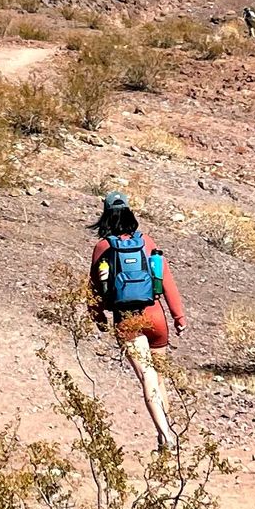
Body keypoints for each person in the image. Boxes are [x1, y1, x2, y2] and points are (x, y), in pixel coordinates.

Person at [88, 193, 185, 454]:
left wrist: (98, 318)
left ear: (105, 215)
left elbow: (95, 289)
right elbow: (167, 282)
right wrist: (179, 317)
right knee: (160, 378)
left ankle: (166, 437)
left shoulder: (103, 247)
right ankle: (167, 439)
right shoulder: (148, 242)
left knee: (147, 376)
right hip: (156, 316)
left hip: (128, 319)